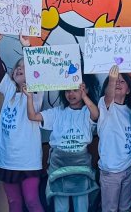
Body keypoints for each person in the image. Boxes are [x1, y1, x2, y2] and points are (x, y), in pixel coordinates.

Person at [41, 75, 100, 212]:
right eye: (67, 90)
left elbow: (96, 114)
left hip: (81, 166)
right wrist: (30, 96)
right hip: (59, 166)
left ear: (85, 89)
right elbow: (33, 116)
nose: (71, 94)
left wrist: (85, 96)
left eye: (75, 90)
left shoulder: (87, 111)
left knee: (81, 205)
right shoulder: (59, 112)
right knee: (61, 205)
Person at [0, 56, 45, 212]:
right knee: (14, 202)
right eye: (17, 66)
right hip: (8, 159)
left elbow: (36, 66)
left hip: (28, 160)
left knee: (32, 201)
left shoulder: (36, 90)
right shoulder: (9, 88)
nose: (19, 68)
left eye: (24, 66)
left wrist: (27, 46)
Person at [97, 66, 131, 212]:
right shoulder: (106, 105)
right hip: (111, 171)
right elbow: (109, 96)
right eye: (115, 81)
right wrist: (112, 79)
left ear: (128, 90)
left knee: (125, 207)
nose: (117, 83)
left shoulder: (130, 110)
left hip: (129, 167)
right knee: (110, 209)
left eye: (122, 81)